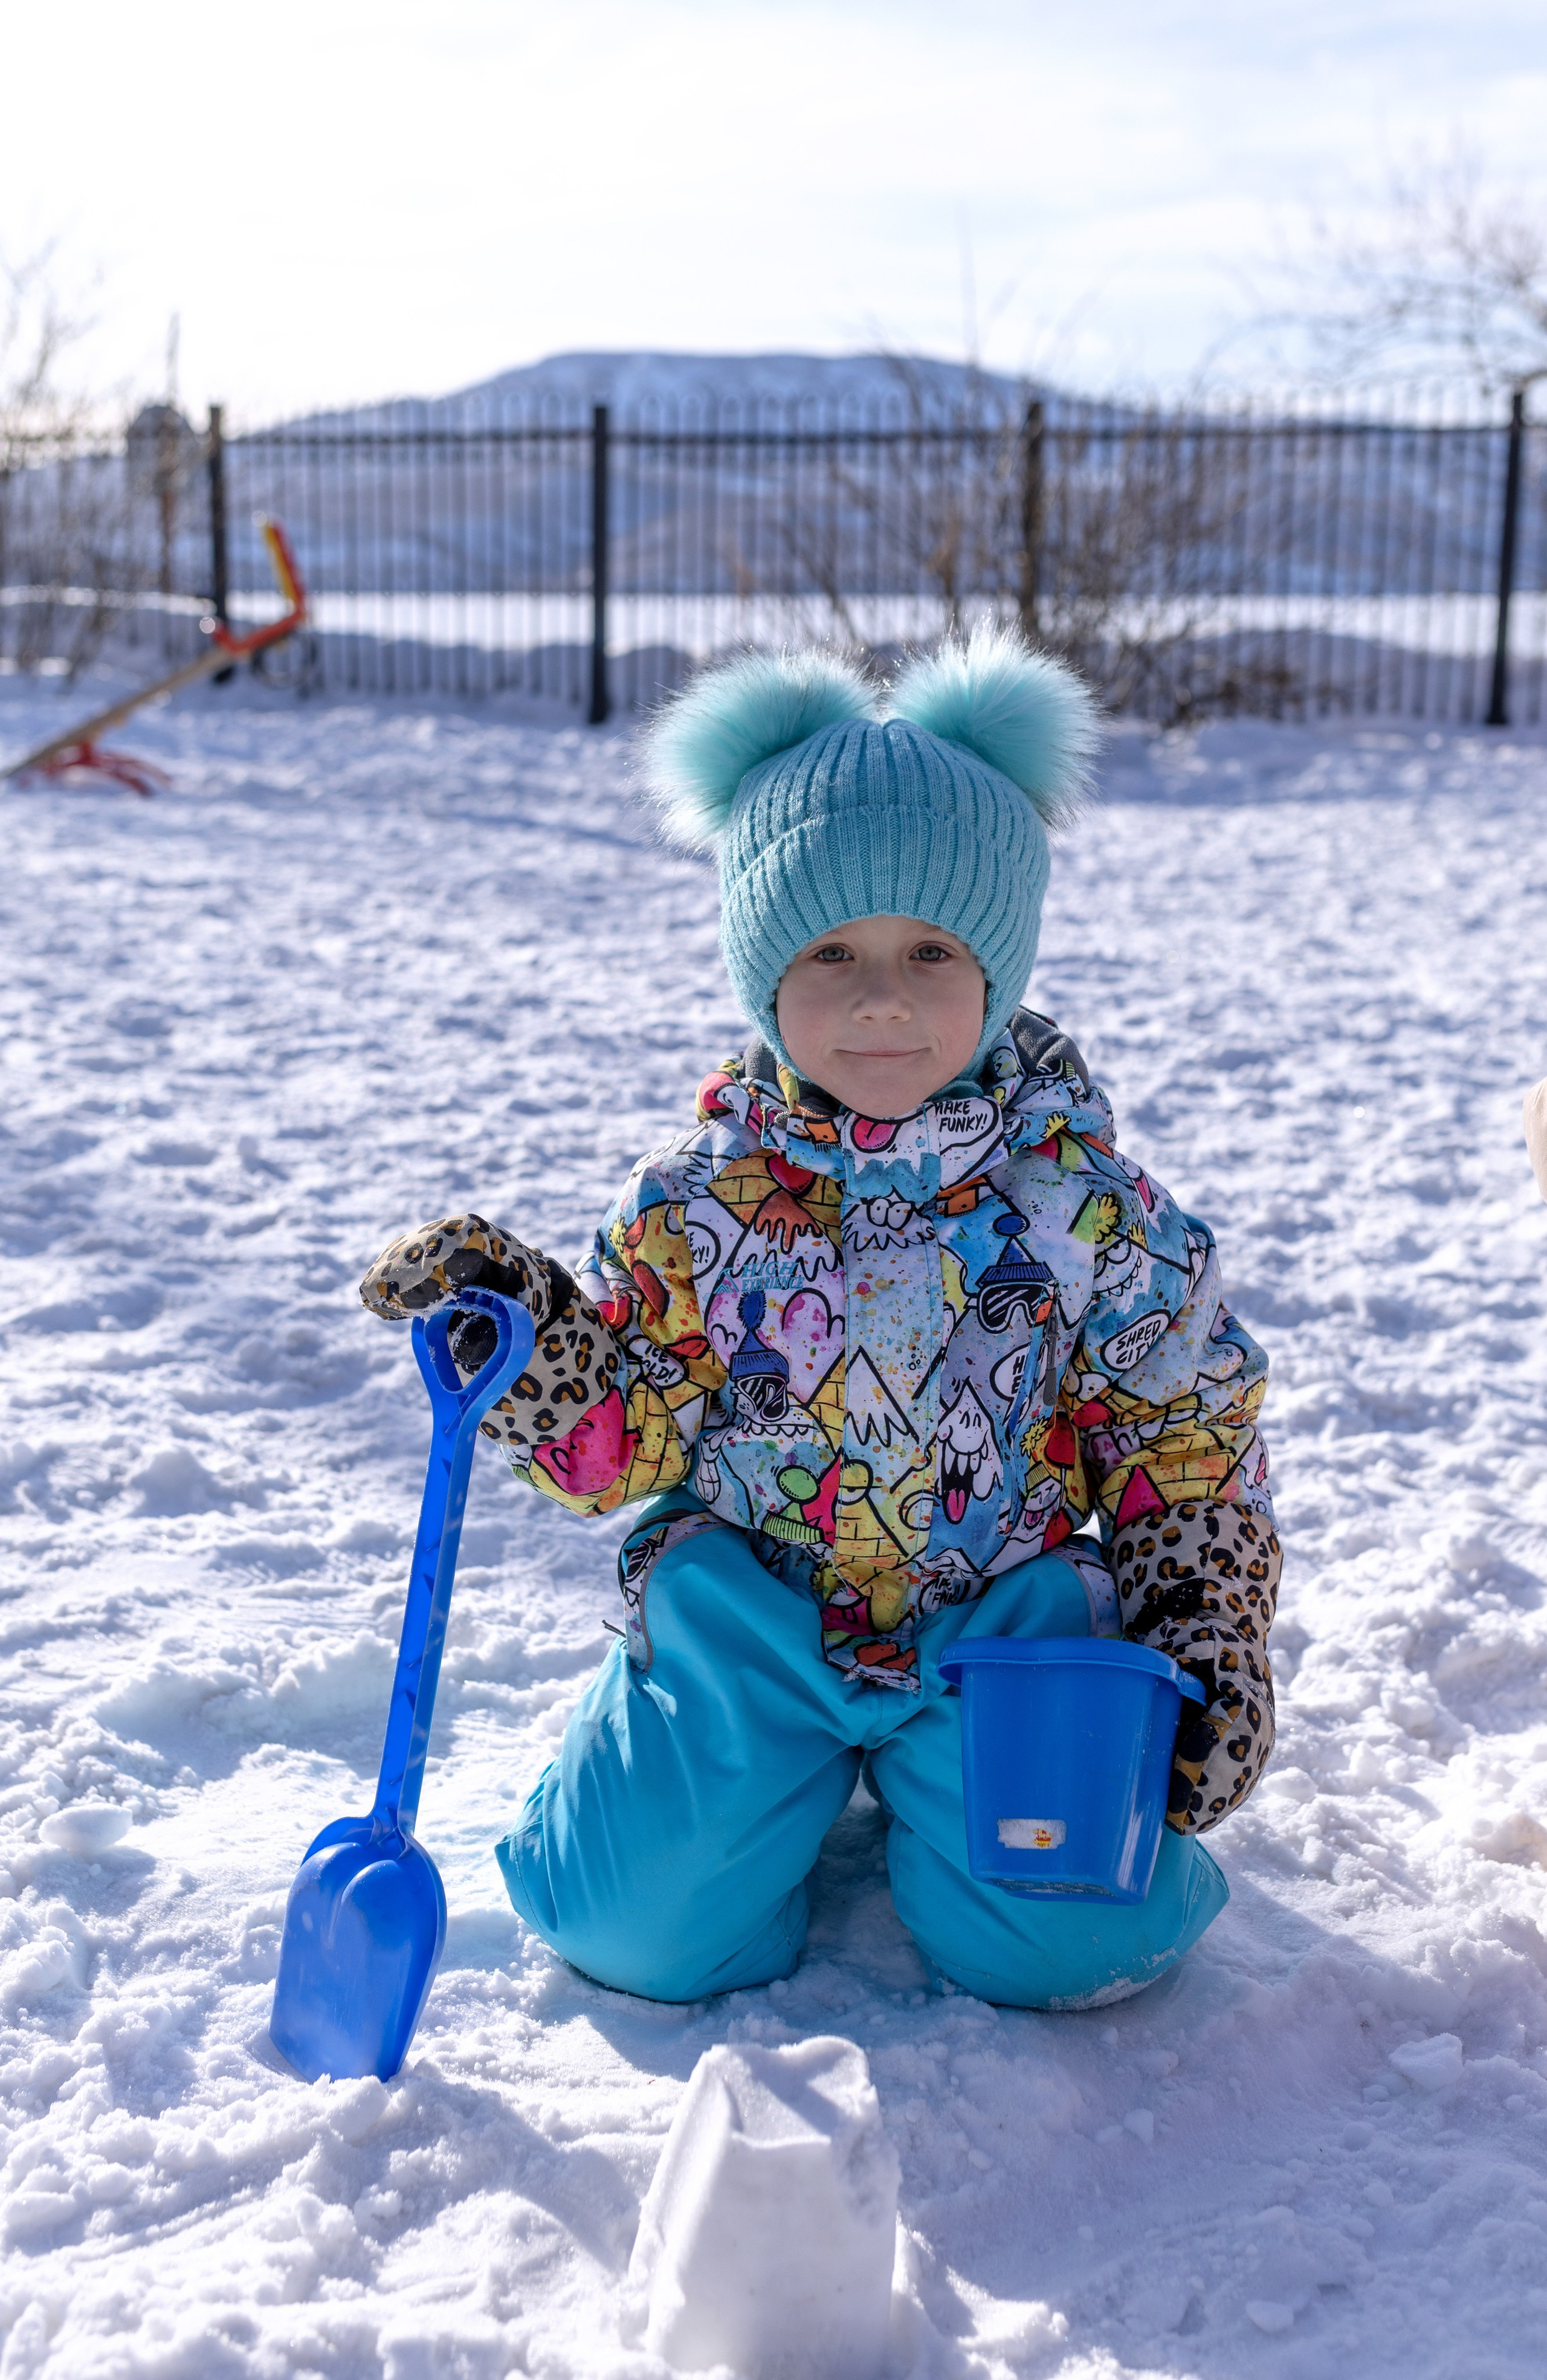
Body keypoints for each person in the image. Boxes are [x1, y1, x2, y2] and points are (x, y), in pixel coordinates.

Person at [360, 628, 1281, 2010]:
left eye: (930, 948)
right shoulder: (694, 1201)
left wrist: (1202, 1621)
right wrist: (536, 1348)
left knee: (1082, 1947)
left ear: (1002, 959)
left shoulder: (1086, 1207)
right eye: (830, 947)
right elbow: (631, 1443)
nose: (879, 998)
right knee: (632, 1934)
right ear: (759, 963)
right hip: (753, 1617)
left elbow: (1182, 1433)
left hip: (1003, 1636)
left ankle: (948, 1819)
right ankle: (684, 1791)